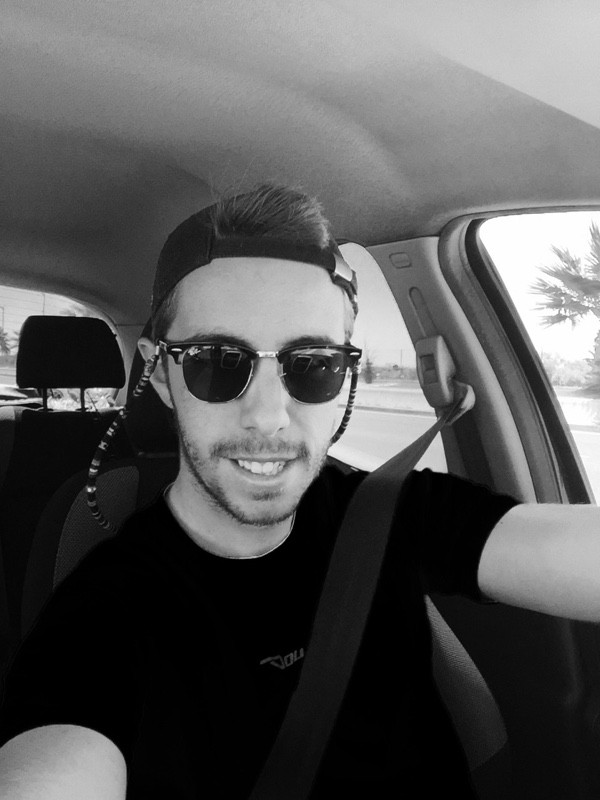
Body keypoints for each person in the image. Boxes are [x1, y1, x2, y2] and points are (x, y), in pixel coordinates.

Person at [0, 184, 599, 799]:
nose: (268, 417)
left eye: (313, 364)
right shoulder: (102, 615)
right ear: (157, 373)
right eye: (216, 360)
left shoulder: (391, 514)